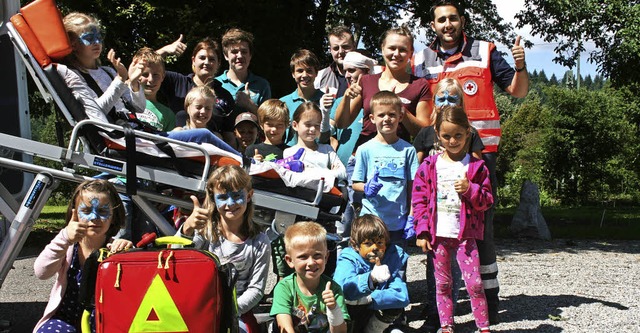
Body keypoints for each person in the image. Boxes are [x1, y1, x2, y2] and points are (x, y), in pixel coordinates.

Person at [412, 1, 529, 322]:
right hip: (438, 160)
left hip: (480, 159)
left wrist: (520, 66)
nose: (447, 24)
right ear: (433, 25)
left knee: (480, 233)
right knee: (436, 231)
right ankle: (438, 309)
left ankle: (489, 302)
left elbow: (518, 91)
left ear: (462, 20)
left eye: (452, 18)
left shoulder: (485, 51)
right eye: (441, 20)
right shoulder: (420, 59)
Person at [412, 105, 494, 333]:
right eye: (446, 136)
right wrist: (422, 232)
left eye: (458, 135)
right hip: (438, 237)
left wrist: (471, 189)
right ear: (438, 135)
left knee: (475, 284)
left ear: (468, 132)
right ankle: (447, 325)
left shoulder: (477, 167)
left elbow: (487, 201)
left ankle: (483, 327)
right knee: (443, 284)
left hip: (466, 238)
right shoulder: (429, 166)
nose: (453, 141)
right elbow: (418, 200)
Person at [177, 165, 271, 333]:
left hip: (237, 313)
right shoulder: (205, 232)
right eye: (223, 197)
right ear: (213, 199)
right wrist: (187, 229)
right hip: (200, 307)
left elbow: (256, 289)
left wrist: (228, 311)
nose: (230, 203)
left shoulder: (260, 241)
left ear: (249, 196)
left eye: (236, 196)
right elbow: (179, 260)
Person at [33, 180, 133, 333]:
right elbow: (41, 272)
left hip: (103, 322)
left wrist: (127, 255)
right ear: (75, 214)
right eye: (86, 211)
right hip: (64, 318)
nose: (94, 217)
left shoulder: (115, 250)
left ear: (113, 216)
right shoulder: (67, 247)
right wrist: (64, 237)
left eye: (103, 211)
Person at [334, 26, 431, 151]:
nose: (396, 54)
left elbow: (424, 134)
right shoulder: (366, 81)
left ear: (411, 53)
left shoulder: (420, 85)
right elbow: (342, 123)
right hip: (365, 155)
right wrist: (346, 98)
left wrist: (399, 108)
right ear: (382, 49)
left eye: (402, 49)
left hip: (399, 157)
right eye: (392, 48)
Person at [351, 91, 418, 248]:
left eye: (392, 115)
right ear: (372, 118)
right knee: (372, 266)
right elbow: (355, 183)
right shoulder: (364, 149)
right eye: (381, 115)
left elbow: (413, 188)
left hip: (398, 223)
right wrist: (366, 187)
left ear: (400, 117)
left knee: (397, 269)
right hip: (371, 221)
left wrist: (412, 217)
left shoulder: (408, 150)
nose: (387, 119)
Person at [62, 12, 145, 122]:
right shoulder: (74, 76)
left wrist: (134, 83)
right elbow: (97, 113)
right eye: (89, 38)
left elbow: (139, 108)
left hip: (135, 130)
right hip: (117, 136)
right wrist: (120, 79)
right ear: (73, 45)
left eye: (98, 37)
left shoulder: (109, 71)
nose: (97, 42)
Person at [328, 50, 376, 242]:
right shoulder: (341, 101)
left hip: (368, 169)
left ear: (366, 71)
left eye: (352, 70)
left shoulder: (375, 99)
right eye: (344, 71)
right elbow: (333, 135)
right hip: (344, 170)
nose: (347, 75)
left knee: (366, 222)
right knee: (344, 225)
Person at [333, 214, 409, 333]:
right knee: (350, 301)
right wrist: (371, 279)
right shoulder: (349, 259)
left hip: (372, 312)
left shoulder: (389, 260)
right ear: (355, 245)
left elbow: (402, 296)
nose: (375, 248)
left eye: (379, 242)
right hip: (348, 316)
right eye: (368, 243)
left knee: (394, 308)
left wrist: (370, 299)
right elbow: (341, 289)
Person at [157, 37, 238, 146]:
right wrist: (165, 50)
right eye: (202, 58)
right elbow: (147, 67)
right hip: (176, 147)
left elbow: (229, 136)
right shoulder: (177, 82)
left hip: (210, 153)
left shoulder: (225, 96)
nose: (206, 62)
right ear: (193, 60)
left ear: (218, 64)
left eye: (212, 59)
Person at [270, 221, 350, 333]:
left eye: (317, 255)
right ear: (290, 261)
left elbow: (340, 331)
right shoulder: (284, 287)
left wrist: (333, 309)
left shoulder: (333, 290)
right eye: (303, 257)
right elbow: (284, 325)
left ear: (326, 257)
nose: (311, 262)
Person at [413, 78, 484, 162]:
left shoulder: (471, 133)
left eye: (452, 100)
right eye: (441, 100)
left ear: (460, 103)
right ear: (434, 102)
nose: (446, 104)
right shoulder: (425, 133)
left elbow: (478, 167)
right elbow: (416, 167)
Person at [281, 49, 335, 146]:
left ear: (316, 73)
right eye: (300, 71)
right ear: (293, 74)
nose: (304, 75)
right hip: (290, 157)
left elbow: (329, 138)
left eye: (309, 71)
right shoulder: (283, 103)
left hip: (318, 157)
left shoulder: (328, 101)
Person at [284, 102, 346, 183]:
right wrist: (330, 172)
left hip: (325, 195)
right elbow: (295, 179)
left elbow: (343, 173)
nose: (313, 129)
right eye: (308, 124)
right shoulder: (289, 153)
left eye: (317, 125)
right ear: (295, 125)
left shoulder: (327, 150)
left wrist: (307, 170)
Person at [216, 28, 271, 115]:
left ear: (250, 55)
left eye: (244, 52)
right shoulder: (216, 84)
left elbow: (269, 121)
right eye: (234, 52)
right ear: (226, 55)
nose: (240, 56)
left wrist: (250, 104)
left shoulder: (262, 85)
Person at [132, 47, 176, 132]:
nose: (151, 79)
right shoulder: (127, 100)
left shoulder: (168, 114)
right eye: (145, 74)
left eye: (156, 75)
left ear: (163, 76)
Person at [315, 26, 356, 98]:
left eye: (345, 47)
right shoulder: (319, 77)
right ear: (330, 50)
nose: (341, 52)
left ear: (354, 46)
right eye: (336, 48)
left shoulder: (369, 74)